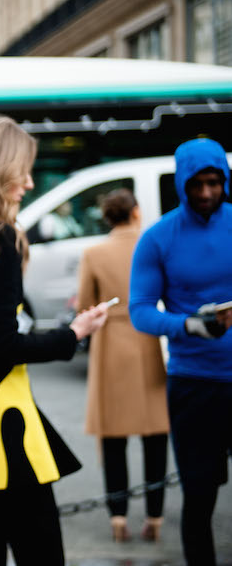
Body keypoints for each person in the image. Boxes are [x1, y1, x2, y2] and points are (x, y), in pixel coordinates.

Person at [0, 114, 108, 566]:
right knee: (41, 554)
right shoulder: (0, 238)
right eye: (22, 170)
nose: (29, 182)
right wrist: (73, 333)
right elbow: (4, 346)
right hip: (4, 429)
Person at [129, 137, 232, 566]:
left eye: (214, 183)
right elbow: (139, 311)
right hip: (195, 383)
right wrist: (186, 325)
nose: (206, 193)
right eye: (197, 184)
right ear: (182, 185)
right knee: (199, 495)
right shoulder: (158, 238)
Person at [76, 188, 169, 543]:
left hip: (110, 343)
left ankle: (118, 519)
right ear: (135, 213)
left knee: (113, 437)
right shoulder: (152, 244)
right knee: (155, 433)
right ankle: (155, 517)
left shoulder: (94, 253)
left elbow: (85, 304)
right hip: (147, 337)